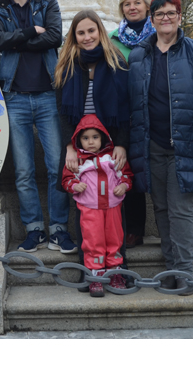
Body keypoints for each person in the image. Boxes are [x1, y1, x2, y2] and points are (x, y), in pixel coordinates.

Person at [128, 0, 193, 295]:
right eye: (160, 14)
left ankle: (185, 274)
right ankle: (171, 269)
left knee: (181, 211)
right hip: (151, 145)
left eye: (171, 13)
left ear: (180, 17)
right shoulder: (139, 54)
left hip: (186, 145)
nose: (166, 18)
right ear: (152, 19)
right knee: (160, 209)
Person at [0, 0, 76, 254]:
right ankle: (34, 230)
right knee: (23, 170)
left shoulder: (46, 1)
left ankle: (59, 230)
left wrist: (18, 39)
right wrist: (28, 31)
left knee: (56, 166)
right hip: (14, 97)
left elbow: (54, 37)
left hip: (48, 95)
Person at [61, 114, 133, 297]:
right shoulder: (77, 160)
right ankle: (95, 274)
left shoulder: (112, 158)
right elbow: (67, 179)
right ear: (79, 140)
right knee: (93, 241)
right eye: (85, 138)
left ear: (103, 138)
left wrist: (123, 186)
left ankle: (115, 272)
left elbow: (126, 175)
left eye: (95, 137)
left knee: (115, 239)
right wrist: (75, 186)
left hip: (112, 208)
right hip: (89, 208)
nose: (90, 142)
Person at [107, 0, 154, 248]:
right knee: (130, 172)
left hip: (154, 113)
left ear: (148, 6)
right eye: (127, 4)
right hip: (126, 114)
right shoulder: (112, 39)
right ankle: (134, 229)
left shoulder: (160, 35)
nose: (132, 7)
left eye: (137, 2)